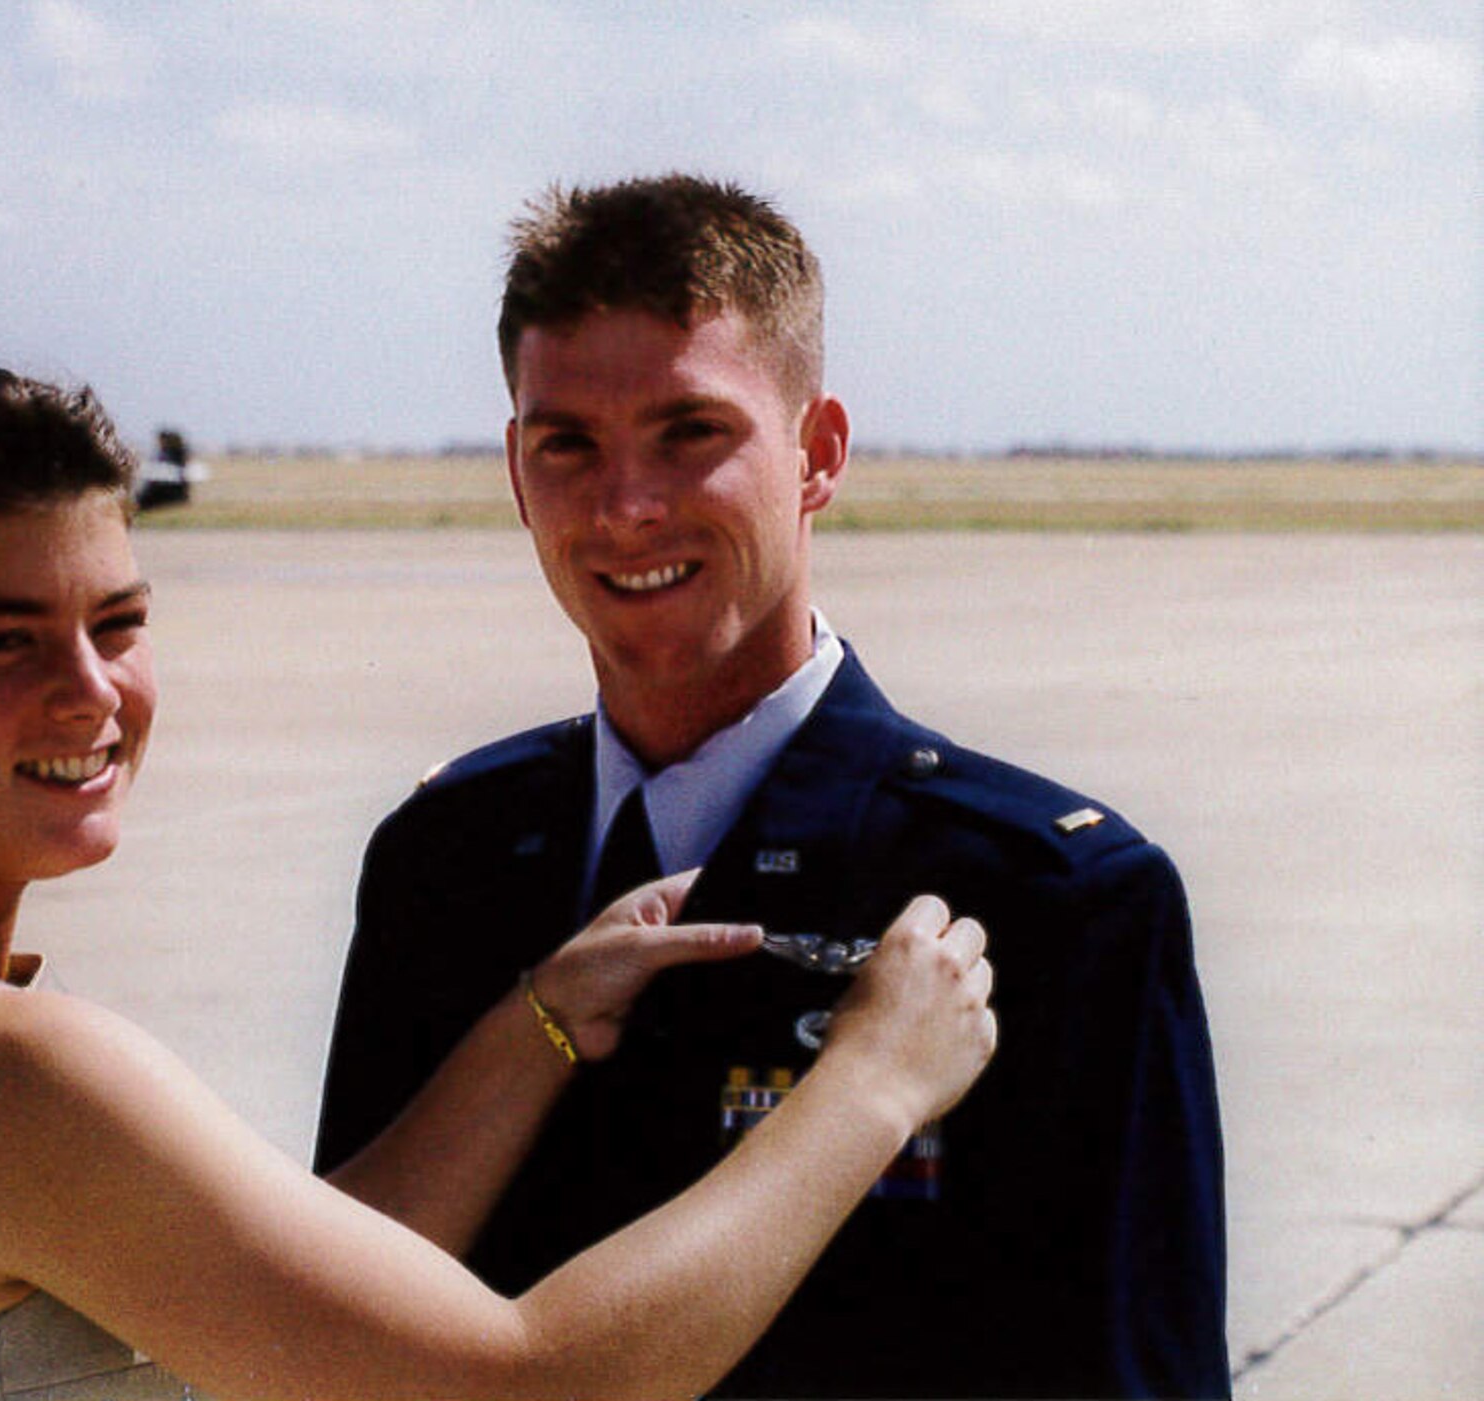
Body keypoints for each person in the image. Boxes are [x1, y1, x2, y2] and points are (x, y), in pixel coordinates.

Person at [0, 362, 996, 1401]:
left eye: (120, 620)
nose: (93, 694)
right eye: (0, 640)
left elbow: (270, 1313)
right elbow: (526, 1382)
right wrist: (868, 1084)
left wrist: (535, 1022)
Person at [316, 175, 1229, 1399]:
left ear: (819, 453)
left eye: (690, 433)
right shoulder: (442, 862)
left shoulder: (1050, 898)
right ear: (514, 471)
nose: (625, 507)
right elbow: (337, 1322)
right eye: (566, 445)